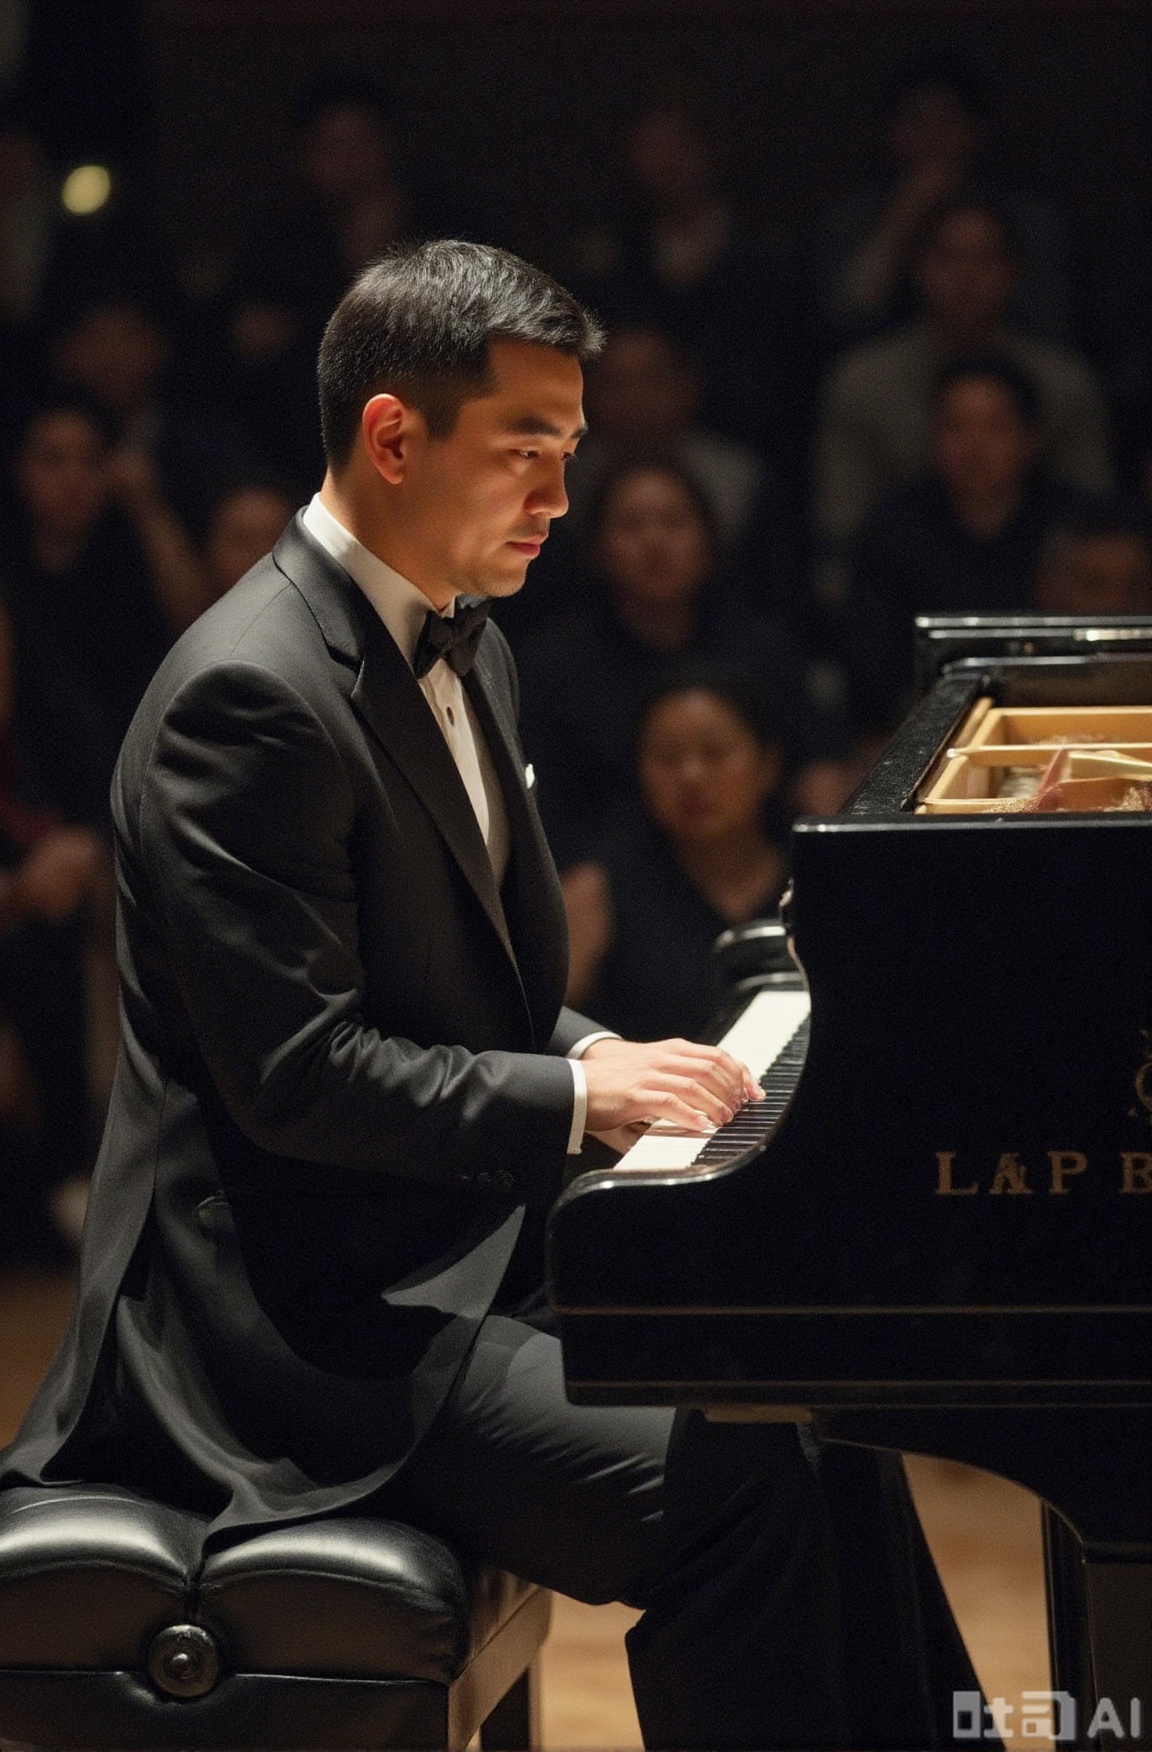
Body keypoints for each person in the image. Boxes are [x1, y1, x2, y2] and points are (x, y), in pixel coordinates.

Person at [1, 241, 985, 1751]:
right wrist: (585, 1097)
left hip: (445, 1250)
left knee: (812, 1400)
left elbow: (485, 994)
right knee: (732, 1496)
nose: (562, 500)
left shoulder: (475, 642)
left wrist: (613, 1054)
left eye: (569, 454)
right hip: (297, 1326)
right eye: (528, 453)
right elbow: (304, 1078)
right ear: (394, 437)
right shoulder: (248, 696)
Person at [517, 456, 855, 870]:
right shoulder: (554, 666)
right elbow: (549, 813)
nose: (655, 544)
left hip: (760, 863)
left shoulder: (761, 646)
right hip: (612, 878)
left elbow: (818, 760)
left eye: (674, 523)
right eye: (631, 527)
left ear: (709, 540)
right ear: (596, 549)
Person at [814, 194, 1112, 604]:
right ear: (918, 268)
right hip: (902, 582)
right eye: (948, 257)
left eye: (985, 258)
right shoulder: (862, 383)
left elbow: (1099, 527)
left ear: (1014, 272)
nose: (967, 276)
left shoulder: (1065, 383)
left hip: (1042, 592)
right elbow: (842, 530)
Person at [840, 353, 1105, 735]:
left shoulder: (1076, 525)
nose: (974, 445)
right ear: (933, 437)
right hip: (921, 726)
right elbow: (870, 667)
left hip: (1063, 717)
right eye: (956, 426)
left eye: (995, 426)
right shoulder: (892, 528)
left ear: (1030, 438)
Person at [564, 667, 789, 1042]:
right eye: (666, 756)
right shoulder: (596, 891)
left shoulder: (818, 881)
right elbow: (534, 1031)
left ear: (767, 765)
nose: (691, 775)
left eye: (716, 752)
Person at [816, 51, 1074, 348]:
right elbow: (846, 316)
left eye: (948, 121)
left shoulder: (1026, 215)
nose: (933, 138)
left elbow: (1049, 321)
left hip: (1006, 364)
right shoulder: (855, 214)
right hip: (893, 368)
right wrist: (904, 217)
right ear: (892, 132)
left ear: (977, 131)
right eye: (917, 122)